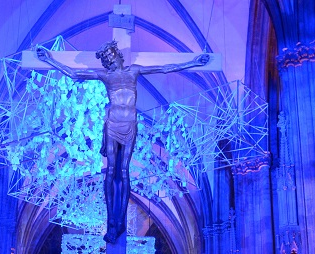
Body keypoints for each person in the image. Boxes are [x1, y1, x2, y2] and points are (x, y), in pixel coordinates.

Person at [36, 41, 209, 243]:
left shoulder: (133, 71)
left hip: (130, 125)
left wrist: (194, 62)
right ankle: (112, 219)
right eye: (106, 58)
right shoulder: (105, 76)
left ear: (117, 54)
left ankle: (120, 221)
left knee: (124, 171)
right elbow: (74, 74)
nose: (109, 60)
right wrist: (49, 60)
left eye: (111, 55)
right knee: (111, 171)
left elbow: (164, 68)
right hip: (112, 124)